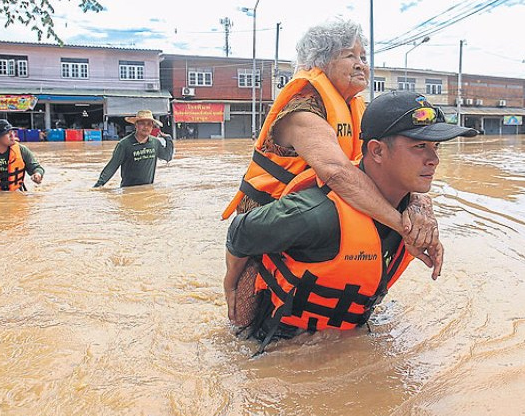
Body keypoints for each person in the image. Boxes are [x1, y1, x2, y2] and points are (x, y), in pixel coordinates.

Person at [224, 91, 477, 353]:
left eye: (437, 147)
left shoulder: (413, 214)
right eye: (419, 146)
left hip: (347, 336)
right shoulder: (318, 215)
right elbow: (241, 231)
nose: (434, 160)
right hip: (277, 349)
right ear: (377, 151)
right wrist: (230, 283)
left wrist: (421, 213)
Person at [222, 17, 440, 255]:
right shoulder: (302, 109)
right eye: (349, 56)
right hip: (269, 220)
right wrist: (405, 228)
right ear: (321, 61)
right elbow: (337, 172)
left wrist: (418, 203)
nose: (361, 65)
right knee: (243, 289)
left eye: (363, 58)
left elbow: (389, 167)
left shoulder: (355, 108)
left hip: (318, 213)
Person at [93, 110, 174, 188]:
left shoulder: (155, 143)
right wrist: (98, 185)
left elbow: (167, 157)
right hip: (128, 191)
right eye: (142, 123)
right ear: (136, 125)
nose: (146, 127)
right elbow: (112, 167)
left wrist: (169, 139)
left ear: (152, 126)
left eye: (149, 124)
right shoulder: (124, 144)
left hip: (147, 190)